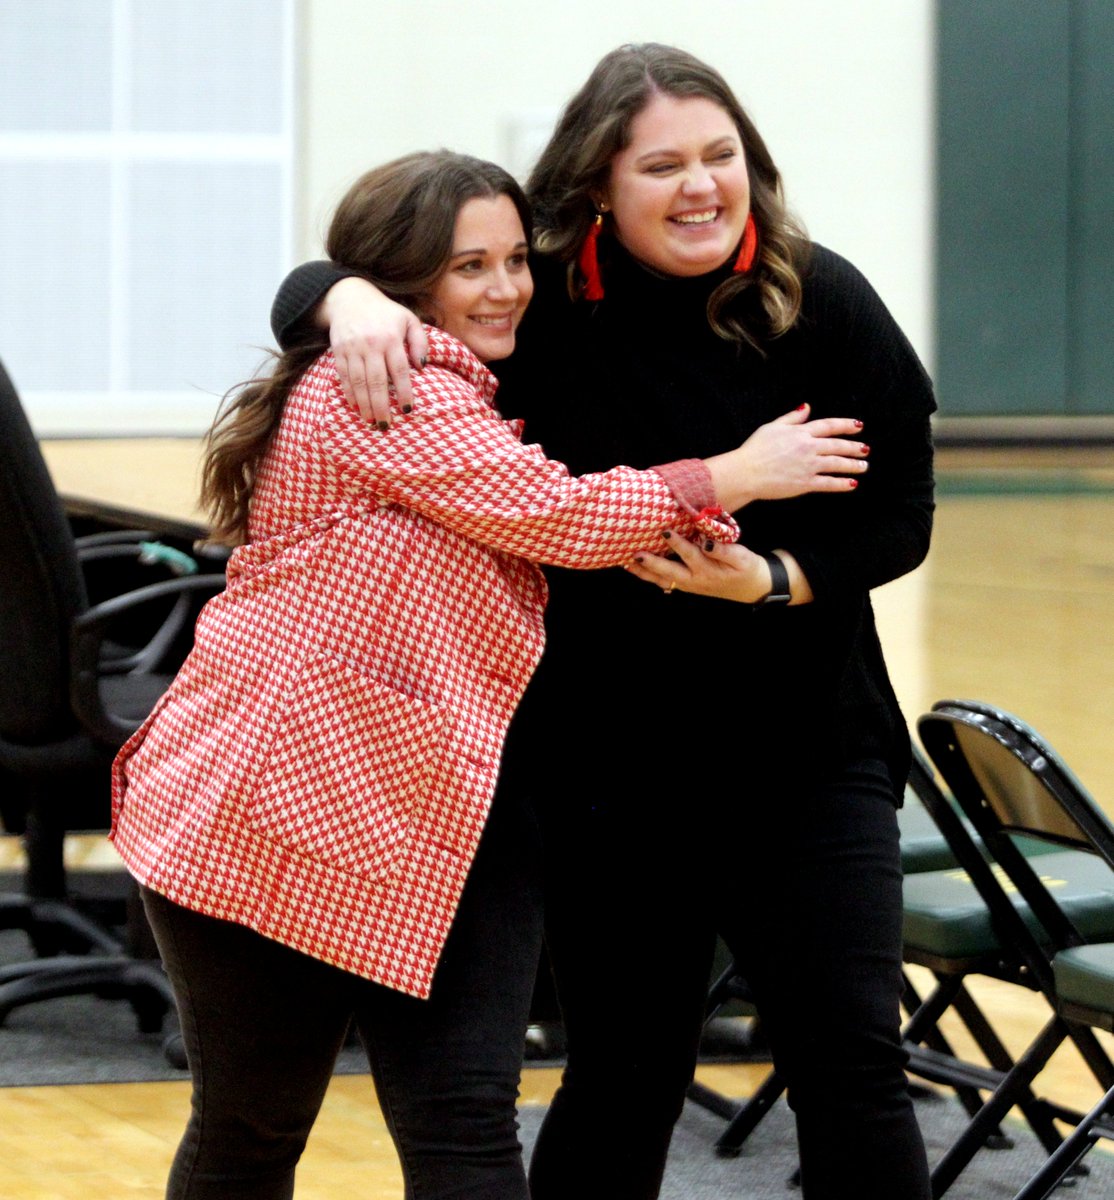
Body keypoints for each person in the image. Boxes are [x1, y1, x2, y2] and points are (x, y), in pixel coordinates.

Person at [111, 147, 869, 1200]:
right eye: (471, 266)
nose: (509, 286)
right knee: (253, 1127)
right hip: (276, 807)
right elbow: (555, 514)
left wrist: (341, 292)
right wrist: (736, 472)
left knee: (468, 1126)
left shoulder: (462, 373)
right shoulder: (384, 383)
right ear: (407, 281)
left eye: (516, 259)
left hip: (453, 807)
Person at [271, 44, 936, 1200]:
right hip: (606, 764)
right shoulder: (530, 300)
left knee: (852, 1068)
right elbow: (311, 288)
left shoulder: (818, 294)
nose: (701, 186)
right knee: (625, 1071)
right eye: (664, 164)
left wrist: (772, 579)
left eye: (721, 157)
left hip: (808, 752)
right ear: (595, 186)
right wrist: (350, 293)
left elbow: (900, 519)